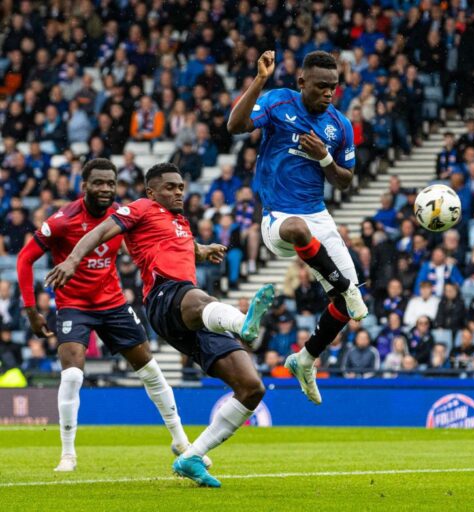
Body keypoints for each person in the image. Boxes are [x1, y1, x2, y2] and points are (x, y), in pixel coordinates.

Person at [44, 163, 277, 488]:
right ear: (151, 191)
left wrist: (200, 249)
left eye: (181, 187)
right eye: (170, 187)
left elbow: (174, 246)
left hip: (189, 312)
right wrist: (72, 259)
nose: (178, 192)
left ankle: (192, 456)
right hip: (165, 297)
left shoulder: (180, 221)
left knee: (252, 388)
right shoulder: (140, 208)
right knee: (199, 298)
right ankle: (242, 323)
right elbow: (97, 232)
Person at [15, 159, 195, 473]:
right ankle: (68, 454)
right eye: (98, 183)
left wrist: (201, 249)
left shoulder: (123, 215)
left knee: (150, 370)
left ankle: (181, 441)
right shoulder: (62, 221)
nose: (105, 189)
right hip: (73, 305)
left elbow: (164, 239)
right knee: (72, 374)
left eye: (110, 183)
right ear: (83, 185)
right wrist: (31, 310)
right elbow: (24, 258)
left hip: (112, 304)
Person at [227, 50, 369, 405]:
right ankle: (342, 285)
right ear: (302, 82)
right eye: (321, 86)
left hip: (318, 215)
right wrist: (259, 80)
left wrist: (324, 157)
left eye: (333, 87)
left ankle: (305, 359)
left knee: (349, 305)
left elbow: (346, 182)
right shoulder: (278, 102)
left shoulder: (339, 125)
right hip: (278, 217)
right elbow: (235, 126)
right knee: (299, 232)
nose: (328, 93)